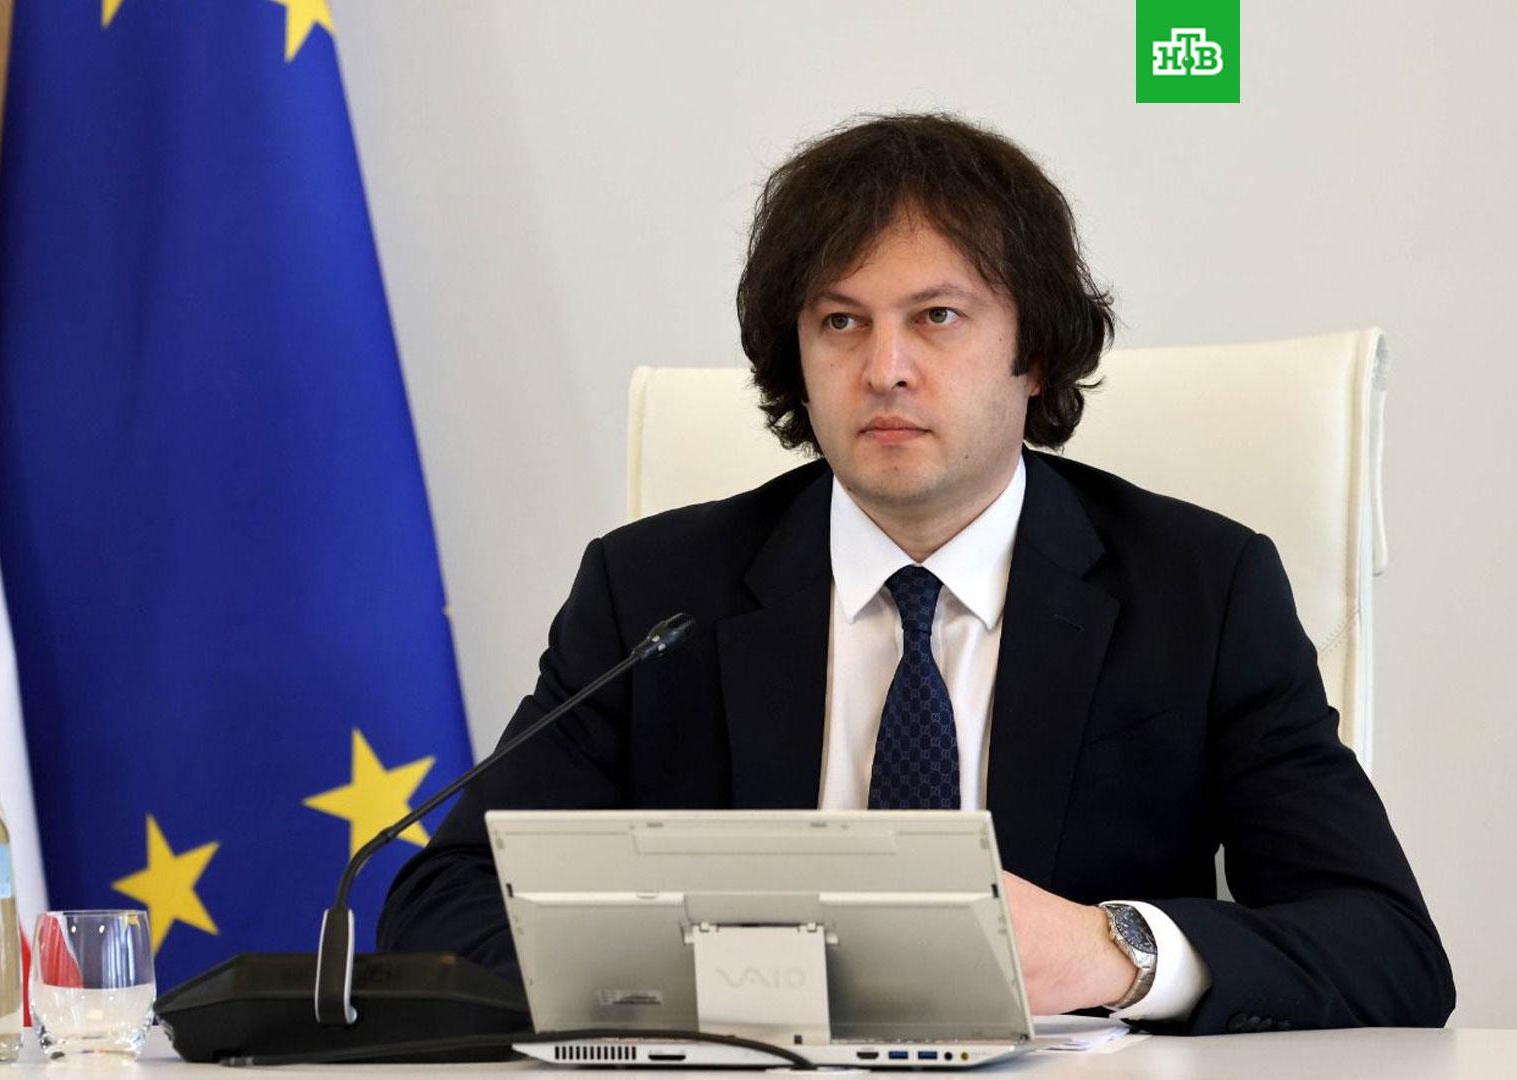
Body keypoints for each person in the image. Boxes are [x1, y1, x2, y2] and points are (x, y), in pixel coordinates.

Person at [377, 113, 1453, 1034]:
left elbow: (1387, 947)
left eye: (937, 317)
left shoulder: (1200, 590)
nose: (884, 369)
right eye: (840, 322)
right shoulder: (652, 594)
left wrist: (1112, 951)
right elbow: (444, 910)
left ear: (1034, 353)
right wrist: (736, 979)